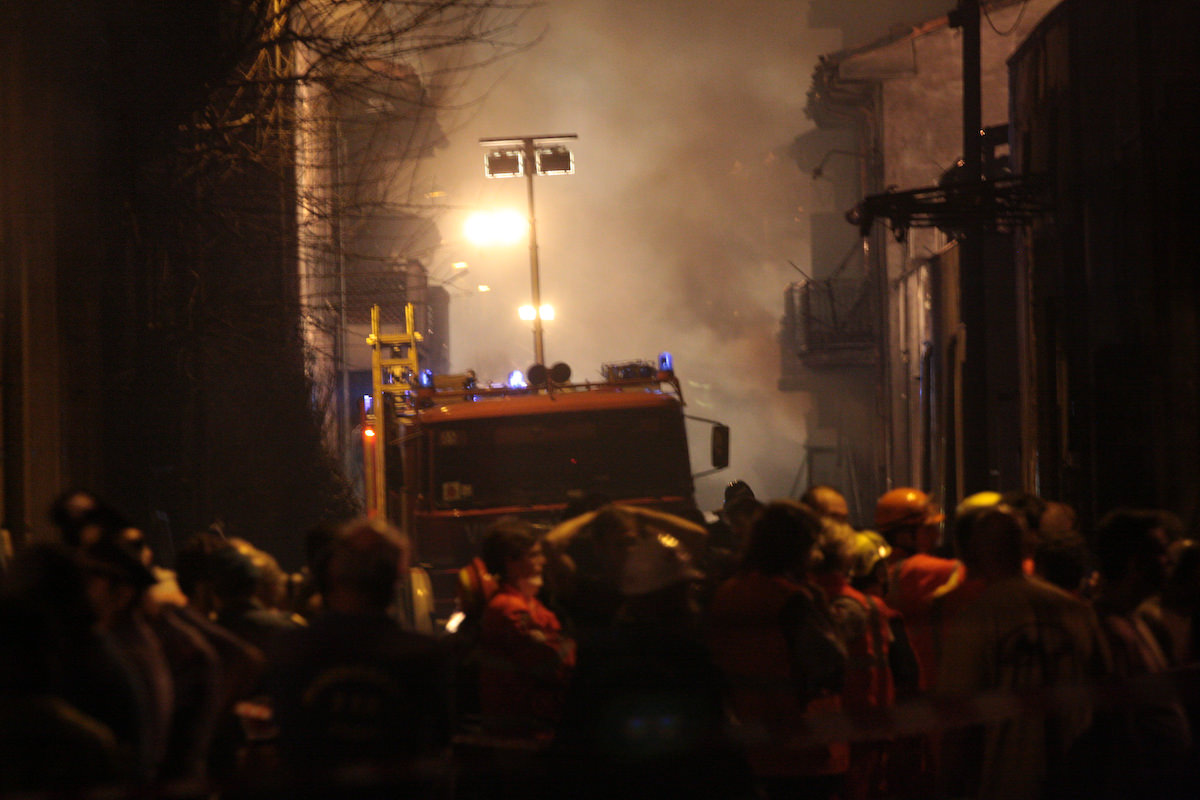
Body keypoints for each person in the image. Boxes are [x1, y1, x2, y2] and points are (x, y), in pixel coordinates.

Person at [554, 530, 754, 799]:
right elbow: (717, 741)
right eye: (682, 593)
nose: (690, 602)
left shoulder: (600, 654)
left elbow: (573, 741)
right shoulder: (689, 657)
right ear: (662, 598)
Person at [265, 518, 452, 795]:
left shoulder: (290, 649)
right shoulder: (425, 656)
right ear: (396, 579)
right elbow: (437, 746)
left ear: (330, 574)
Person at [937, 506, 1112, 799]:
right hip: (1077, 777)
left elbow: (959, 719)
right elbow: (1108, 693)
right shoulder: (1076, 610)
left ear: (973, 554)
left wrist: (948, 788)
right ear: (1027, 548)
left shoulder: (978, 617)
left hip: (1007, 780)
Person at [706, 500, 848, 800]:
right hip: (802, 750)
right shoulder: (792, 600)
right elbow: (830, 667)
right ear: (798, 548)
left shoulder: (726, 593)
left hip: (745, 749)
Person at [477, 517, 575, 739]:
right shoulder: (508, 609)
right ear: (510, 562)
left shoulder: (528, 604)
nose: (542, 561)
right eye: (533, 555)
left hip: (535, 726)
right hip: (520, 733)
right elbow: (555, 665)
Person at [874, 487, 964, 691]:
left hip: (908, 684)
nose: (936, 533)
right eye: (928, 528)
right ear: (905, 535)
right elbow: (982, 573)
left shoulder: (886, 569)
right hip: (934, 684)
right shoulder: (917, 569)